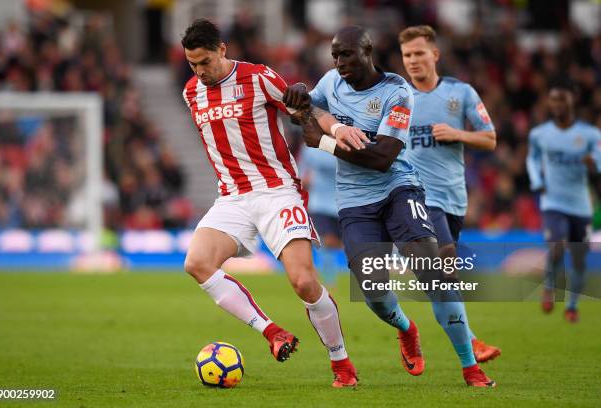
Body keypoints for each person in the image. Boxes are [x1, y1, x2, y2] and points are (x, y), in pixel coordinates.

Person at [284, 26, 495, 387]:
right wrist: (308, 106)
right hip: (353, 202)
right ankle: (406, 328)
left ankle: (470, 367)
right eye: (334, 56)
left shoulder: (396, 92)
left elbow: (383, 157)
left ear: (367, 52)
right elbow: (301, 115)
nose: (338, 63)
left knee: (434, 271)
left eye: (346, 55)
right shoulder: (331, 81)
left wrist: (325, 140)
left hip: (399, 189)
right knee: (373, 291)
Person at [180, 19, 360, 387]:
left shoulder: (259, 77)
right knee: (196, 262)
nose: (199, 72)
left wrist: (334, 128)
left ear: (222, 50)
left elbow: (303, 112)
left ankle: (341, 362)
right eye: (192, 64)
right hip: (231, 196)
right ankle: (271, 331)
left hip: (276, 190)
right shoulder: (190, 92)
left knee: (304, 282)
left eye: (205, 62)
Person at [399, 25, 501, 362]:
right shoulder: (397, 95)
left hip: (453, 198)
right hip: (416, 198)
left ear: (435, 54)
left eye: (419, 53)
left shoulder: (461, 93)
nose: (413, 61)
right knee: (443, 269)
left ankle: (414, 332)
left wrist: (458, 134)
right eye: (407, 55)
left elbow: (490, 138)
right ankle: (471, 346)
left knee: (436, 284)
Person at [526, 80, 601, 323]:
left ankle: (572, 304)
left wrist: (594, 164)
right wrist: (538, 181)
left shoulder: (590, 135)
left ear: (573, 99)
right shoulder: (540, 134)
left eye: (562, 98)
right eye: (554, 99)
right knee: (557, 243)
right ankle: (549, 287)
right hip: (553, 202)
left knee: (579, 258)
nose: (557, 104)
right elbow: (533, 160)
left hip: (581, 204)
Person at [297, 147, 342, 287]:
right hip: (319, 204)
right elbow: (301, 173)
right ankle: (329, 280)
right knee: (326, 241)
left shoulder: (344, 146)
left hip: (340, 203)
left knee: (340, 243)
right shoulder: (310, 149)